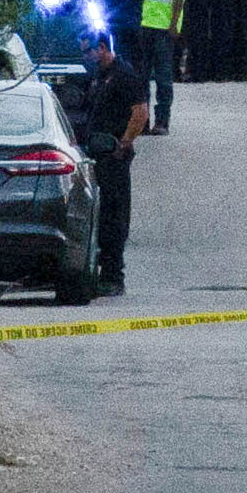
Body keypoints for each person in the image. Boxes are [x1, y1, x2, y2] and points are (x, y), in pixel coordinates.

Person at [80, 31, 149, 296]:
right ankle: (100, 271)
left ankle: (113, 275)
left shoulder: (124, 75)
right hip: (97, 154)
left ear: (101, 48)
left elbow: (140, 112)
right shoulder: (101, 76)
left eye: (88, 51)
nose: (85, 57)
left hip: (113, 157)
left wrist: (124, 143)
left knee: (113, 216)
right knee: (100, 215)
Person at [137, 0, 189, 135]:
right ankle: (143, 121)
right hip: (142, 25)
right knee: (141, 78)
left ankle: (162, 121)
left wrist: (175, 23)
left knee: (163, 79)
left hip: (163, 27)